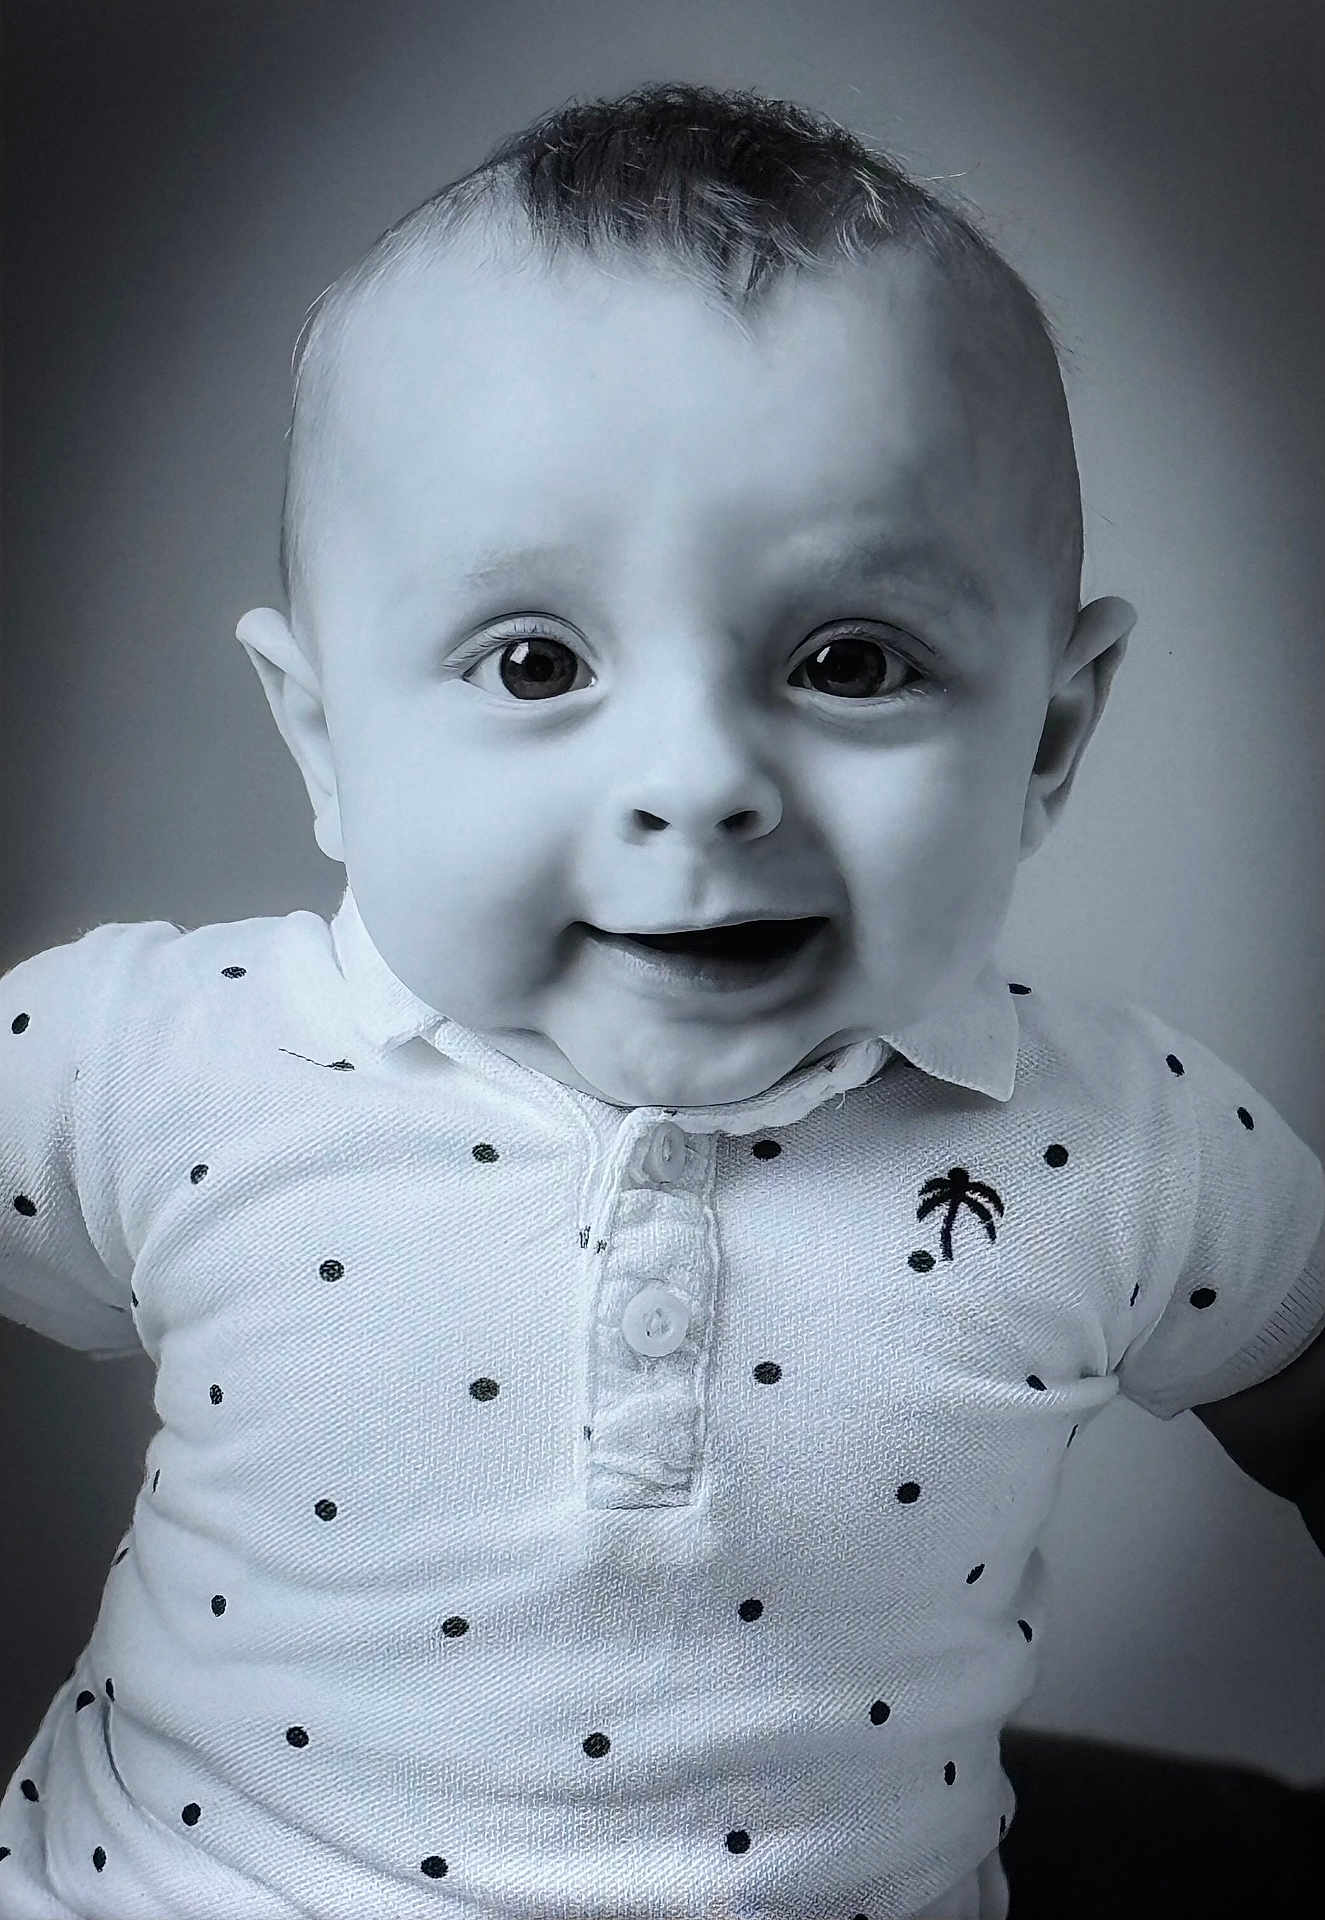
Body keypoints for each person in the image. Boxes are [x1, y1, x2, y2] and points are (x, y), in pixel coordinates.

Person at [1, 80, 1321, 1920]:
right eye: (535, 662)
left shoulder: (1121, 1149)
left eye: (848, 659)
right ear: (325, 743)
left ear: (1048, 735)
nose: (699, 783)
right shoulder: (154, 1063)